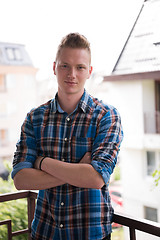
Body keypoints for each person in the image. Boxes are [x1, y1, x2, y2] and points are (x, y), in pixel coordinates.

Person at [12, 33, 123, 240]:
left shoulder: (106, 116)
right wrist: (78, 171)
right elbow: (20, 179)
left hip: (90, 234)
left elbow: (96, 178)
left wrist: (42, 162)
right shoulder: (35, 118)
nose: (72, 73)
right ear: (54, 67)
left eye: (80, 67)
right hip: (45, 232)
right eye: (65, 66)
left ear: (89, 71)